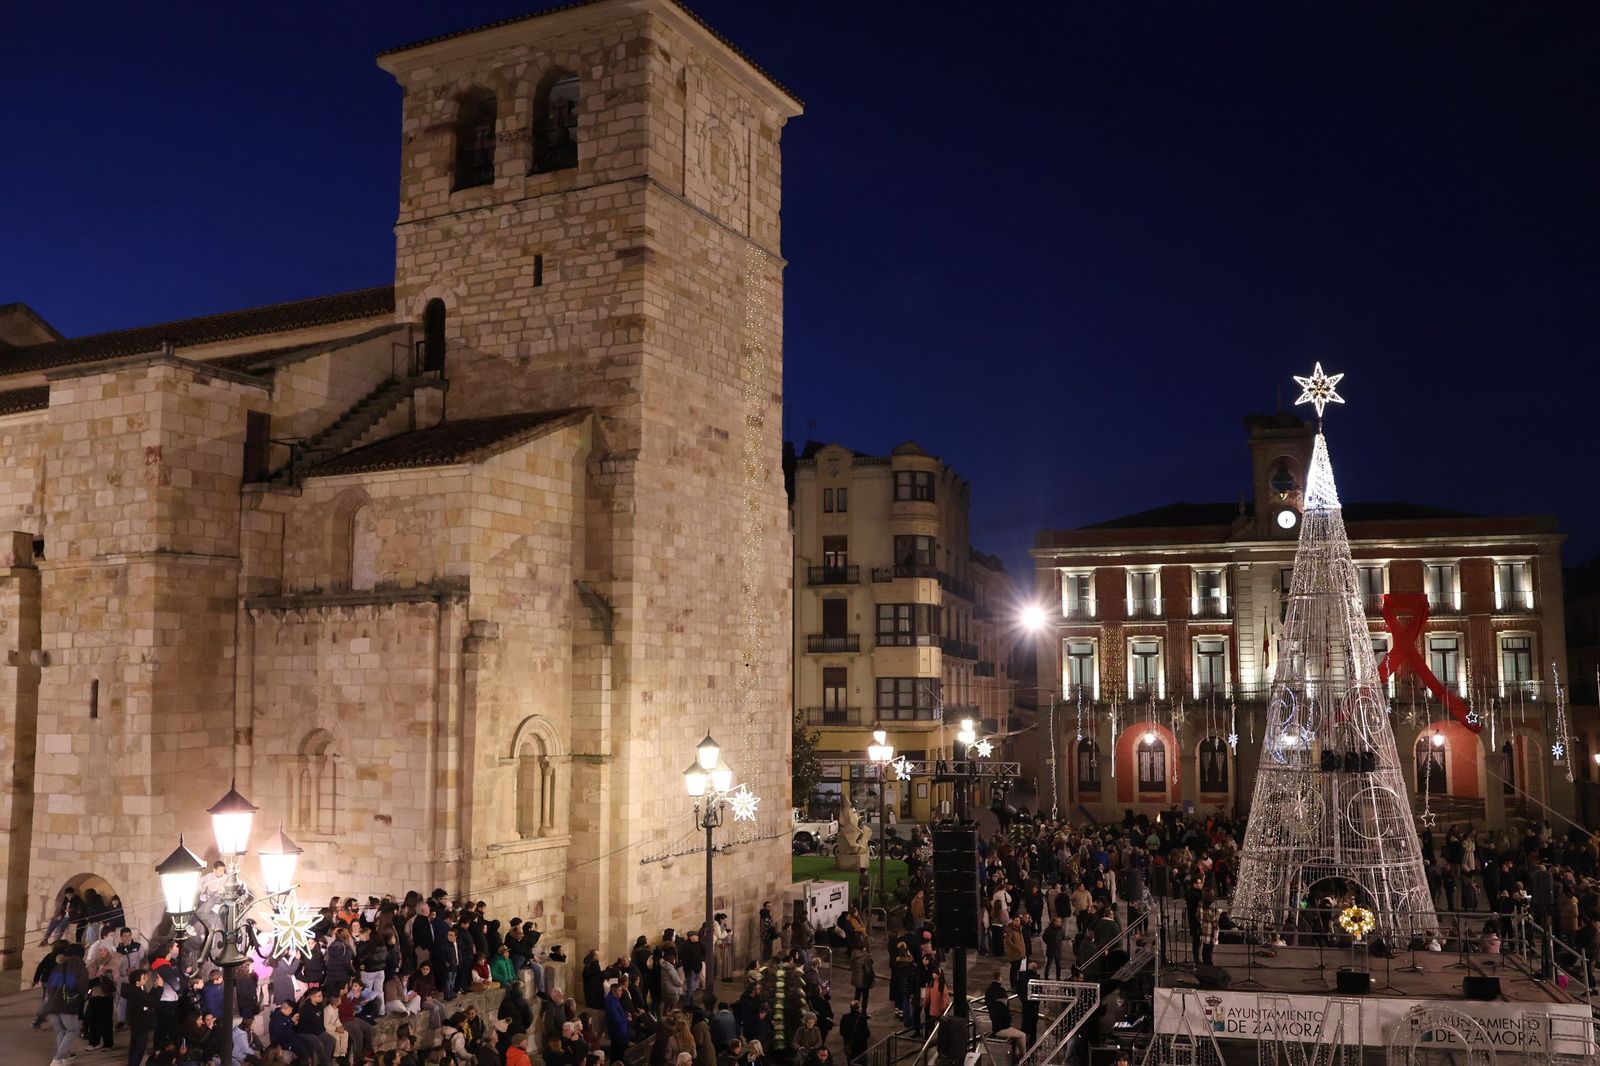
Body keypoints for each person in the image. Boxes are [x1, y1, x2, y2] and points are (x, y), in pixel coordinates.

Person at [44, 941, 88, 1066]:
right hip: (67, 1005)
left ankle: (62, 1059)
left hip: (52, 1005)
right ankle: (57, 1059)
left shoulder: (58, 965)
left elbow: (49, 986)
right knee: (73, 1030)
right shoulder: (80, 966)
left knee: (61, 1032)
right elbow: (82, 988)